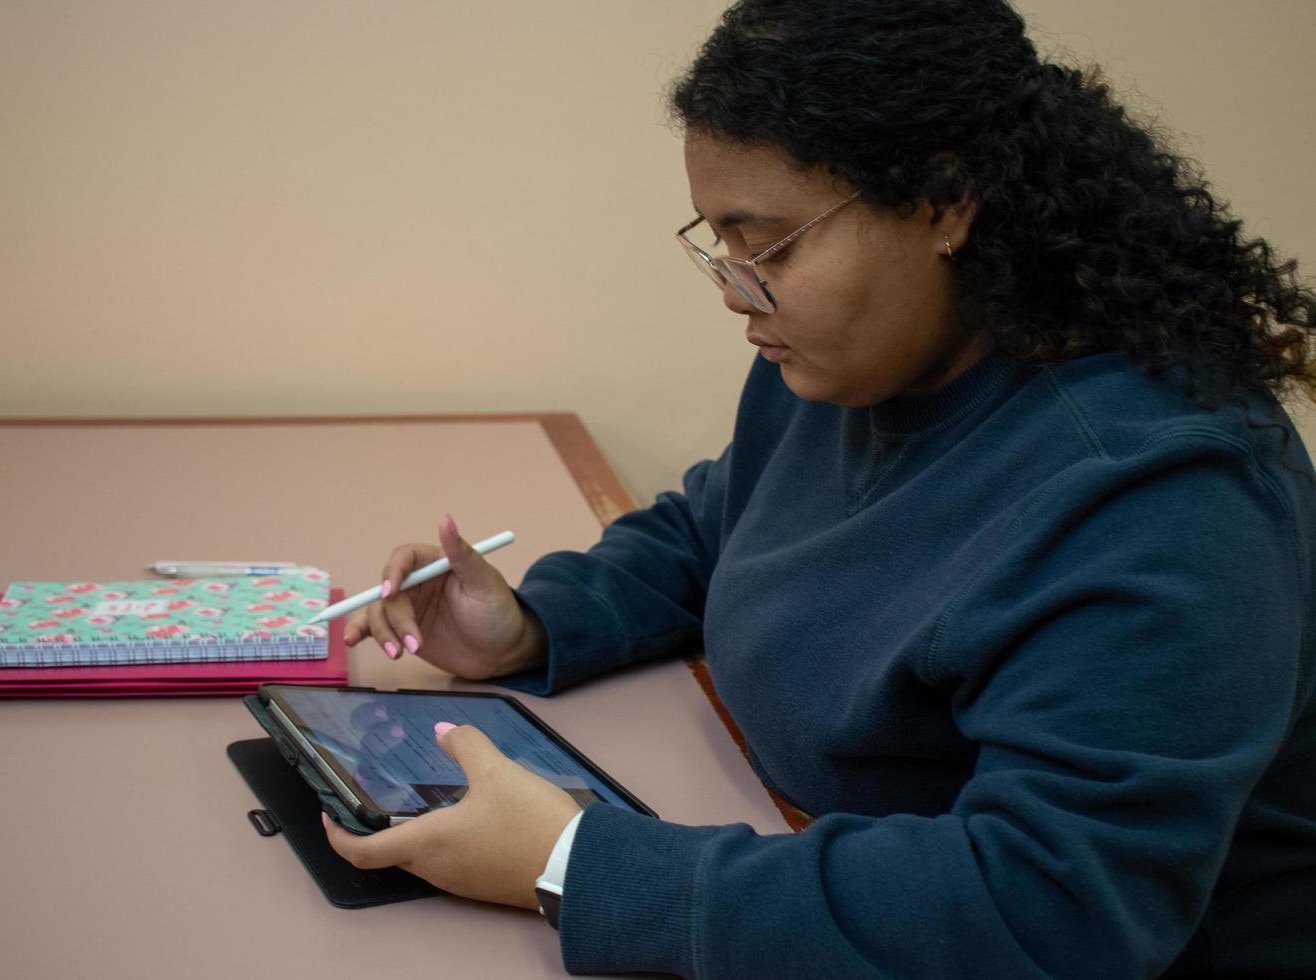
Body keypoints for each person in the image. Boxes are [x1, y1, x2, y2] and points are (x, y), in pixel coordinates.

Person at [324, 1, 1316, 976]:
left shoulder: (1165, 496)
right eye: (721, 242)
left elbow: (1048, 909)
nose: (733, 288)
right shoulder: (852, 364)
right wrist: (534, 624)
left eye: (773, 246)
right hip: (797, 850)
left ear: (944, 200)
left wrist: (578, 863)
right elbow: (716, 530)